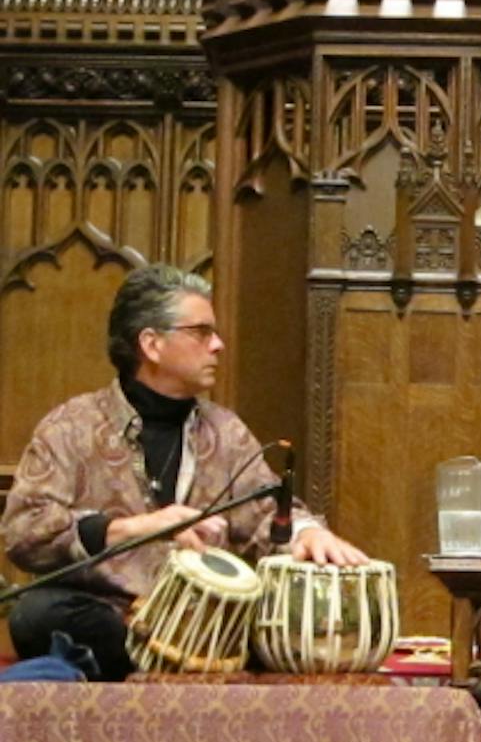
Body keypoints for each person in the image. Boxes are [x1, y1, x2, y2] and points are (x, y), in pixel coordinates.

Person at [2, 264, 367, 681]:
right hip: (113, 620)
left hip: (208, 623)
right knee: (36, 614)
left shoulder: (225, 431)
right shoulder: (71, 427)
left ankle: (183, 659)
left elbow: (268, 513)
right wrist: (133, 528)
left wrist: (307, 533)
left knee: (277, 613)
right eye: (201, 332)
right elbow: (25, 532)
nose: (218, 345)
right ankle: (169, 662)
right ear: (152, 344)